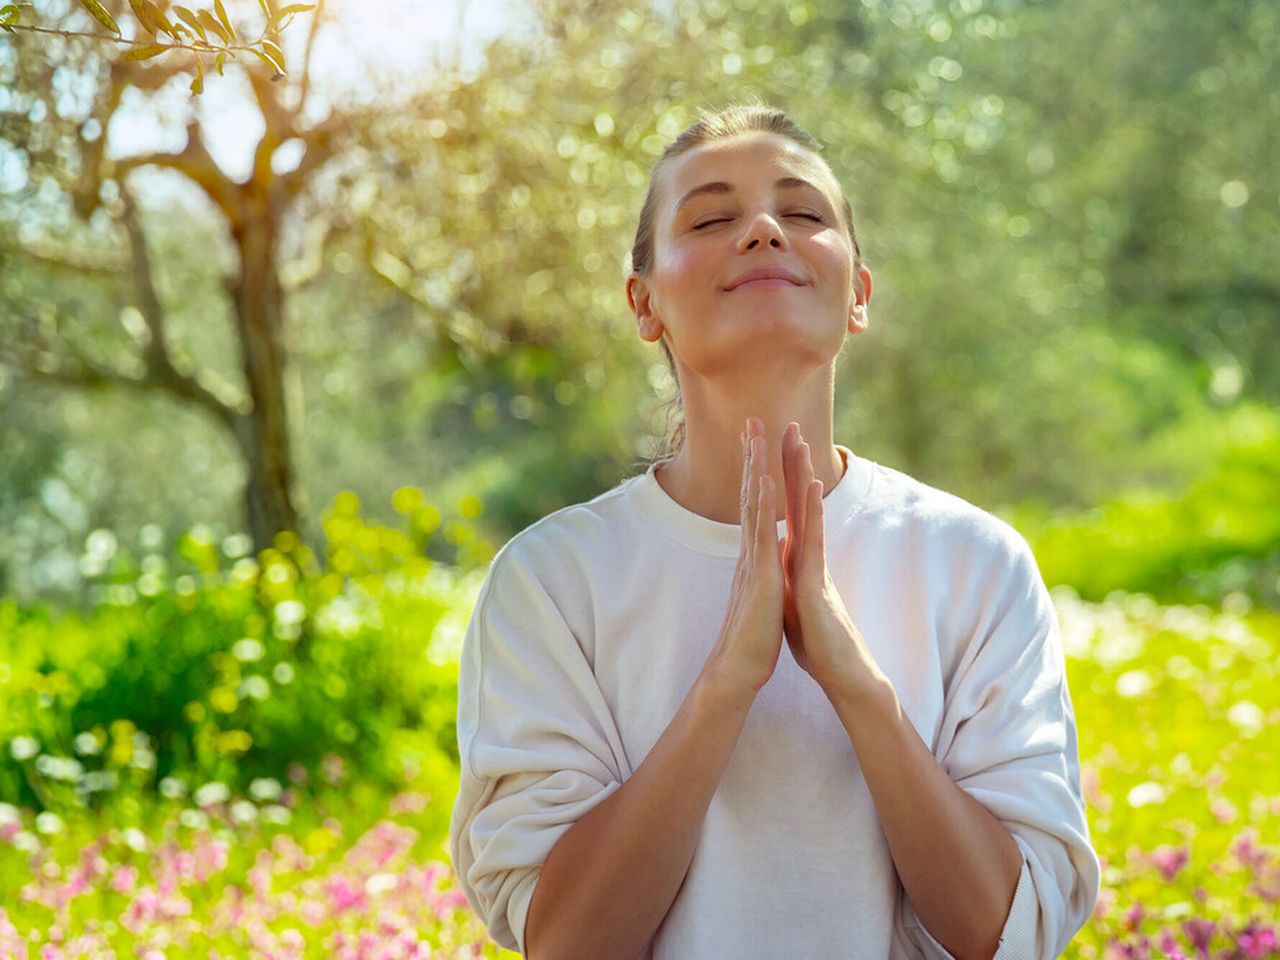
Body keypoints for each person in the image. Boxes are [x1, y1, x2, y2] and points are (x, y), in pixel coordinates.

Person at [448, 102, 1100, 960]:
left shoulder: (976, 564)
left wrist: (856, 685)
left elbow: (1003, 930)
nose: (762, 230)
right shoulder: (550, 581)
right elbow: (565, 941)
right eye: (713, 218)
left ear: (858, 294)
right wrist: (727, 682)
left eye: (803, 213)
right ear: (644, 303)